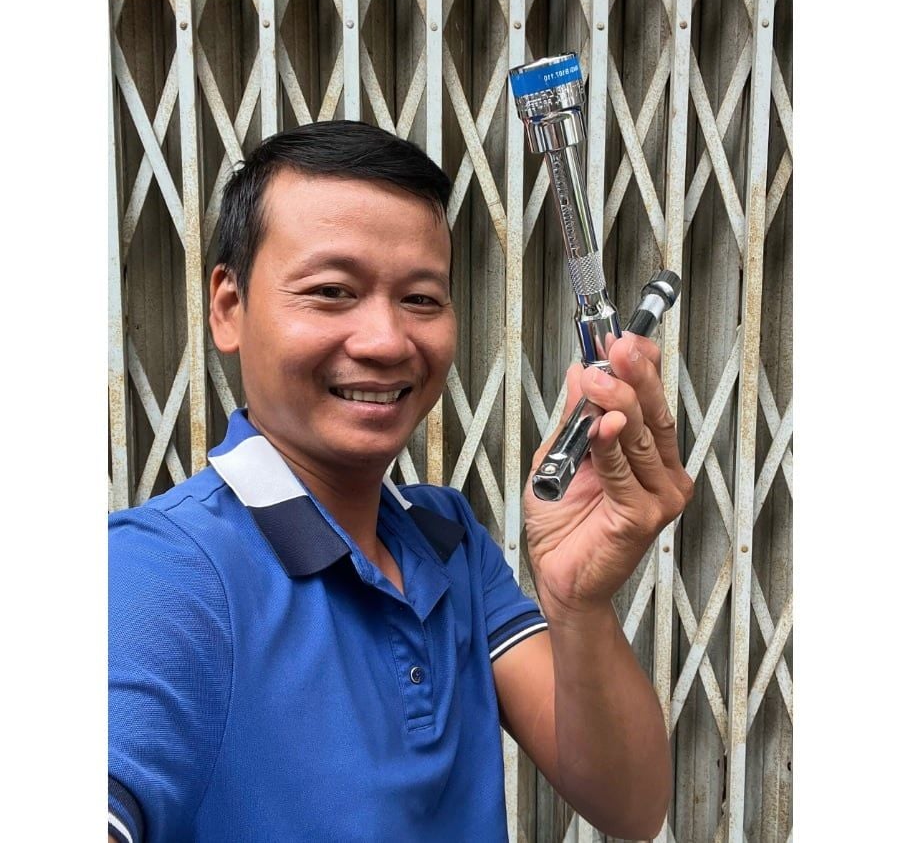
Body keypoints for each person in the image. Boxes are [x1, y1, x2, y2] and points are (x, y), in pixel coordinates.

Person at [108, 120, 693, 843]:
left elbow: (629, 807)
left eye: (421, 298)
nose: (387, 342)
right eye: (331, 291)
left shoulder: (446, 538)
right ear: (229, 307)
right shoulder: (159, 571)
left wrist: (579, 602)